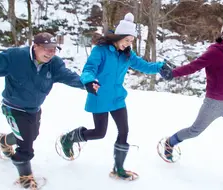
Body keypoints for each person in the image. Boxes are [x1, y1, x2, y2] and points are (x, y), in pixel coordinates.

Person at [0, 32, 85, 189]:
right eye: (46, 48)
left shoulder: (55, 64)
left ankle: (3, 141)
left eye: (54, 49)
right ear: (35, 46)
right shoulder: (15, 56)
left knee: (32, 135)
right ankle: (25, 177)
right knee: (26, 144)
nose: (50, 53)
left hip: (34, 108)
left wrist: (88, 85)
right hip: (14, 107)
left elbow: (69, 76)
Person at [58, 12, 169, 180]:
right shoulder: (100, 51)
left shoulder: (127, 54)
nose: (129, 44)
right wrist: (89, 81)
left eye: (131, 41)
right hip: (99, 94)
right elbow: (89, 69)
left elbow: (144, 66)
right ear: (119, 36)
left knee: (124, 131)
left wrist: (160, 67)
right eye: (127, 40)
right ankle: (70, 138)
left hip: (117, 97)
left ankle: (119, 169)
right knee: (99, 132)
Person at [160, 19, 223, 184]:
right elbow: (194, 66)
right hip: (214, 102)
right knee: (195, 131)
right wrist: (173, 73)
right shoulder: (214, 52)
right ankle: (170, 142)